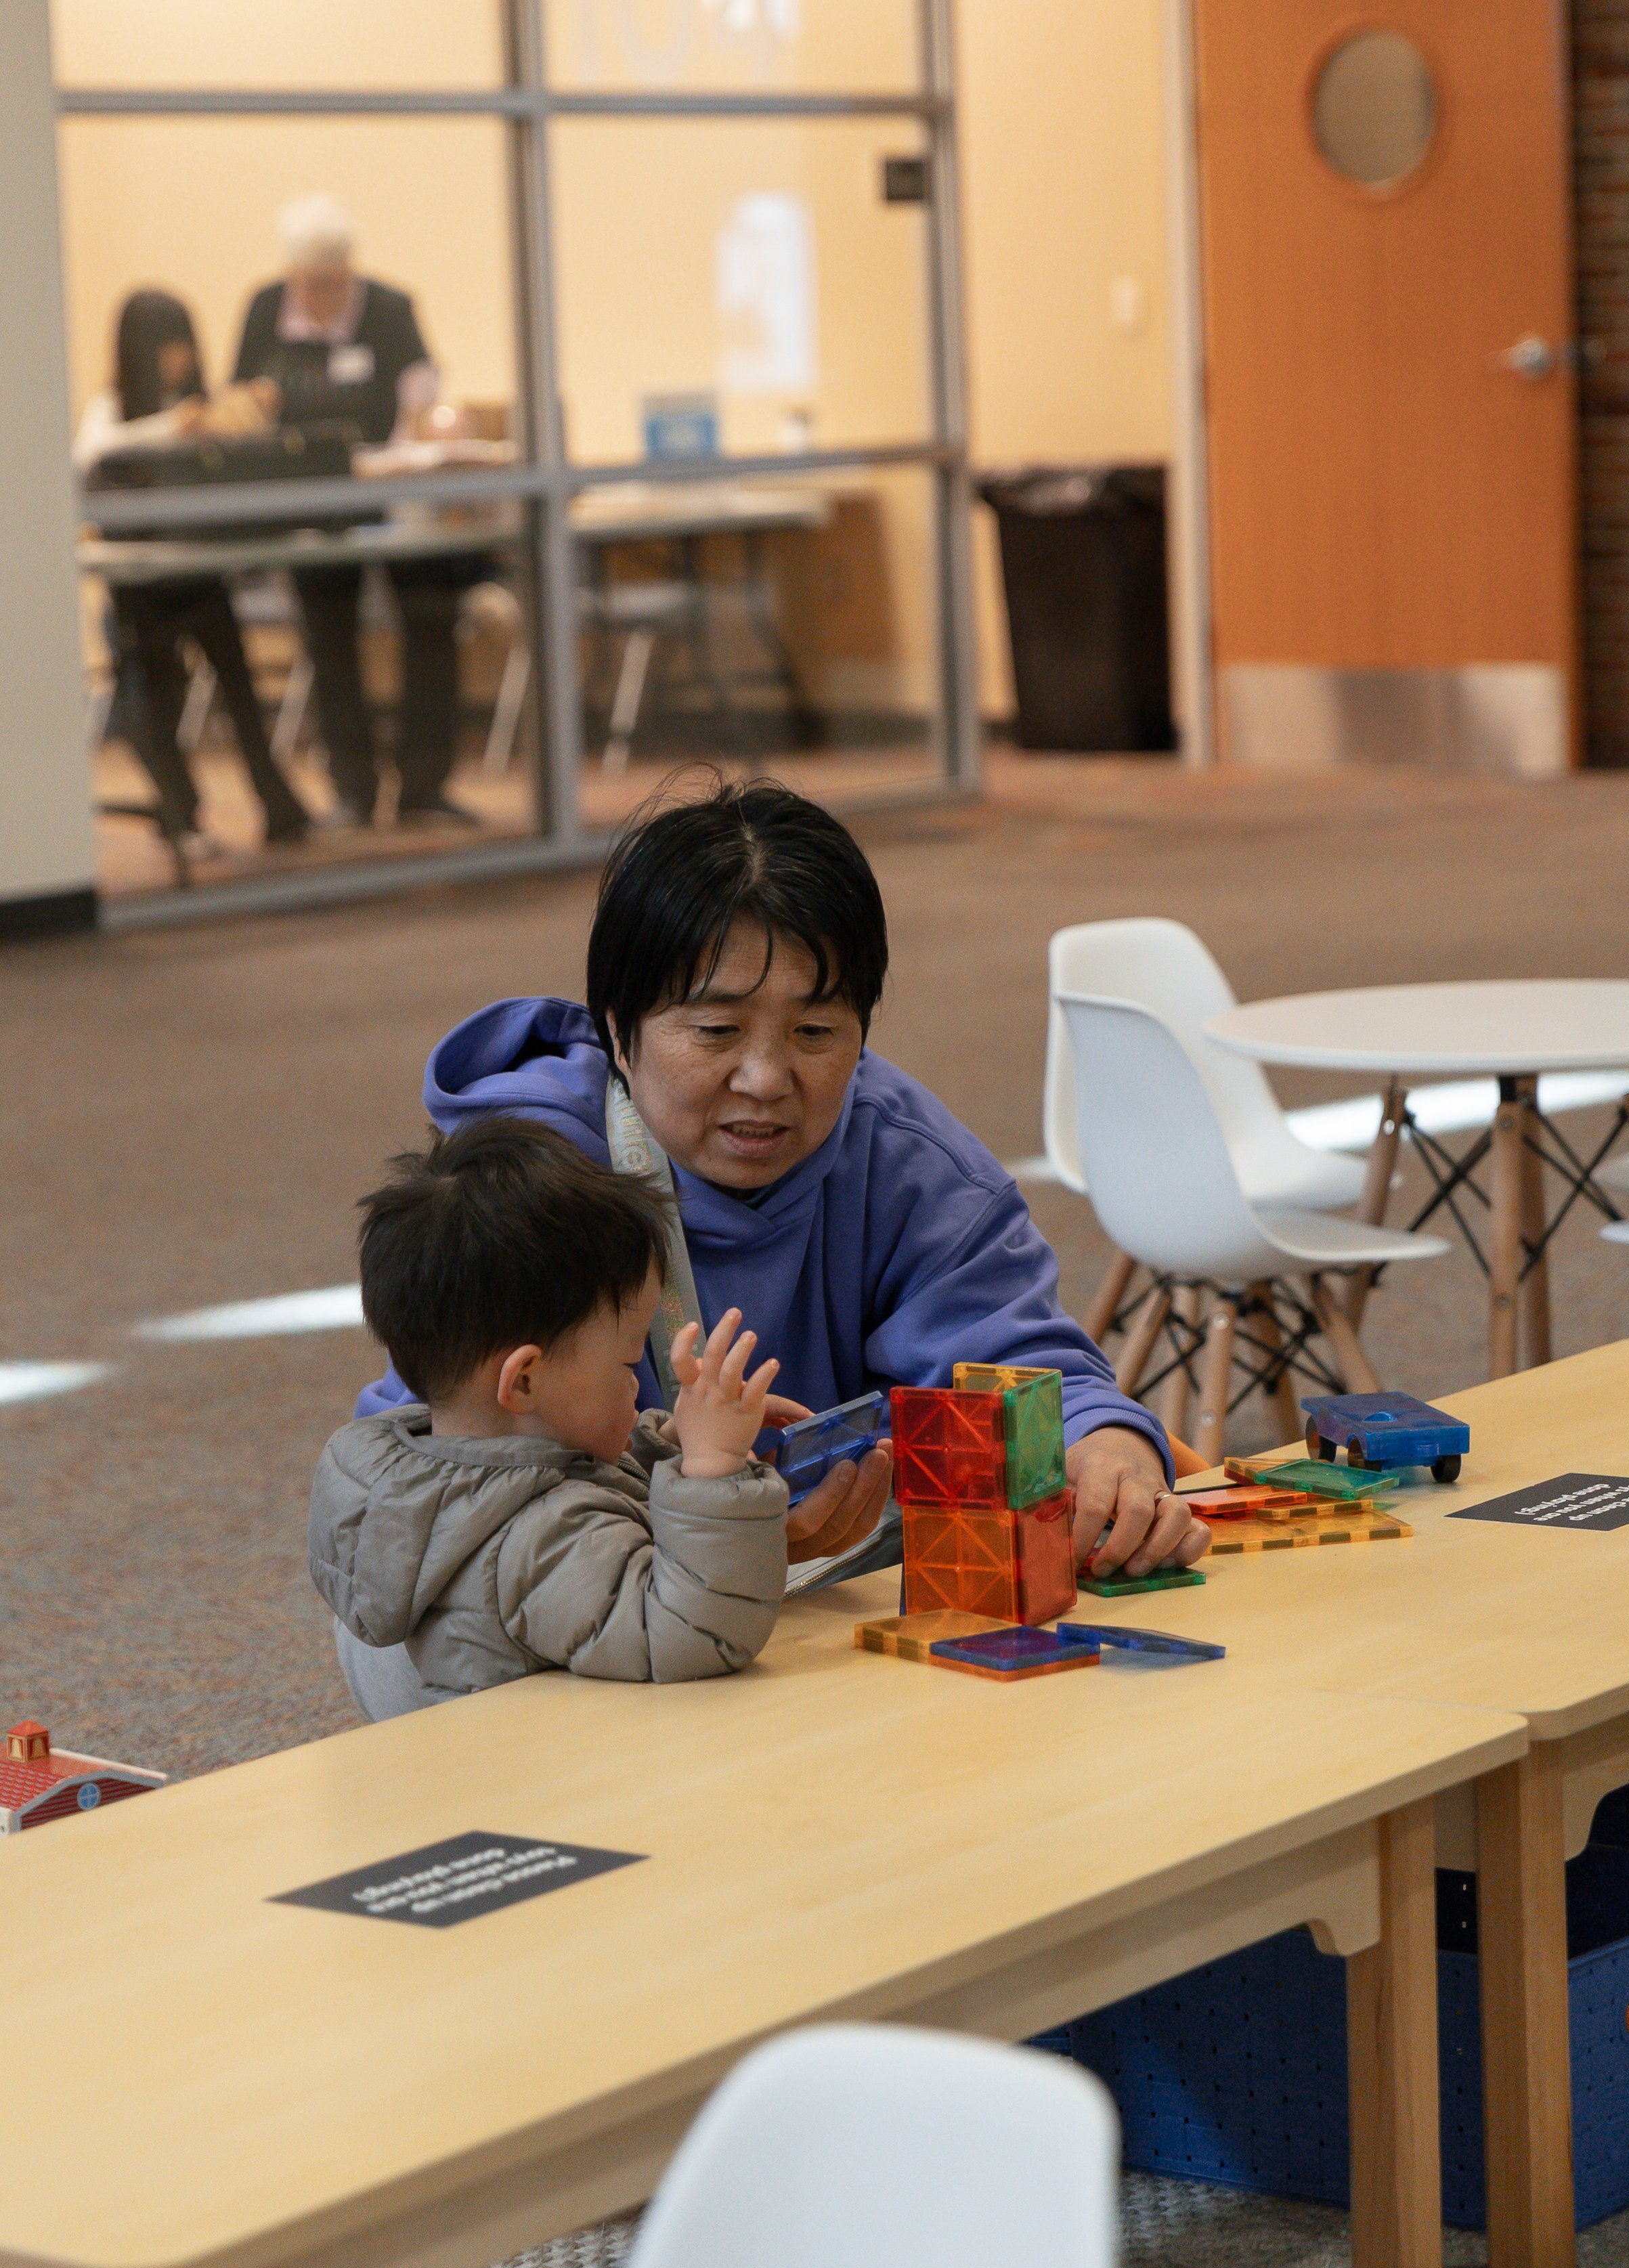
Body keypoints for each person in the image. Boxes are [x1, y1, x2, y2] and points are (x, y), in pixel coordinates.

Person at [353, 778, 1209, 1638]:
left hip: (814, 1605)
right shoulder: (527, 1188)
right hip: (563, 1609)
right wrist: (721, 1538)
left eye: (815, 1033)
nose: (765, 1081)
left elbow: (1023, 1365)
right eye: (716, 1032)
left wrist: (1110, 1455)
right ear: (618, 1030)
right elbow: (422, 1483)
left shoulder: (908, 1161)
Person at [311, 1117, 791, 1711]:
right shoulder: (542, 1539)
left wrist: (672, 1445)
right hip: (554, 1787)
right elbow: (698, 1636)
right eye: (625, 1364)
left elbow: (569, 1467)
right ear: (526, 1379)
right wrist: (715, 1472)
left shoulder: (429, 1482)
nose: (638, 1391)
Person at [232, 195, 481, 831]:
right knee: (328, 640)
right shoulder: (266, 310)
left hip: (397, 496)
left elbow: (424, 396)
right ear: (292, 275)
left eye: (336, 279)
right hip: (313, 499)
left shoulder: (391, 309)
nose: (325, 292)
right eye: (313, 282)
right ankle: (353, 789)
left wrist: (420, 440)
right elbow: (240, 405)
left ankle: (425, 786)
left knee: (430, 623)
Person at [77, 290, 313, 868]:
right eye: (167, 348)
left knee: (240, 694)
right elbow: (90, 454)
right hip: (140, 587)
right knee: (153, 705)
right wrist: (175, 427)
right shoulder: (116, 410)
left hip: (204, 577)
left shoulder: (203, 405)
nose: (179, 361)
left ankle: (280, 807)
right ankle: (182, 816)